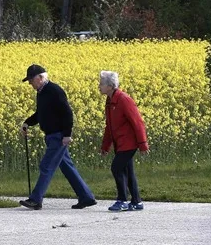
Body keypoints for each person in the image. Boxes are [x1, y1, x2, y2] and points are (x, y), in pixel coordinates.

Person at [18, 64, 96, 210]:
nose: (29, 83)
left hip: (58, 136)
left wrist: (67, 134)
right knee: (67, 167)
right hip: (52, 135)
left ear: (40, 78)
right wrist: (27, 123)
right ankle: (86, 197)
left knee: (46, 166)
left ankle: (35, 200)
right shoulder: (41, 92)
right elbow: (41, 114)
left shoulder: (54, 91)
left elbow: (67, 113)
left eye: (31, 80)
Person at [99, 70, 149, 211]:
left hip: (129, 143)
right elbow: (109, 126)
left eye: (101, 84)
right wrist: (105, 146)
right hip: (120, 144)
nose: (99, 86)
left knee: (116, 167)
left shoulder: (123, 99)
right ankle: (136, 201)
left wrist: (143, 144)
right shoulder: (110, 101)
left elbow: (137, 122)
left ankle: (121, 200)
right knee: (128, 171)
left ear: (110, 86)